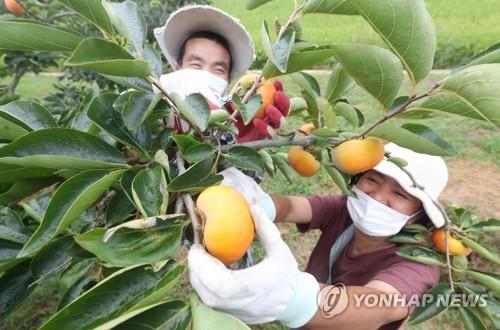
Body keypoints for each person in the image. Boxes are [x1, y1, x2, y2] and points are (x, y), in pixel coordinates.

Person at [188, 143, 448, 329]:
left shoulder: (418, 262)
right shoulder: (344, 210)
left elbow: (378, 304)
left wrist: (294, 298)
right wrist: (258, 202)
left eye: (400, 194)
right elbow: (291, 207)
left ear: (419, 214)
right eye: (372, 180)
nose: (378, 198)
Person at [153, 5, 289, 141]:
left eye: (218, 70)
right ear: (178, 67)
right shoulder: (154, 112)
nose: (205, 75)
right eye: (196, 65)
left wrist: (236, 146)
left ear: (228, 80)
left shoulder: (232, 119)